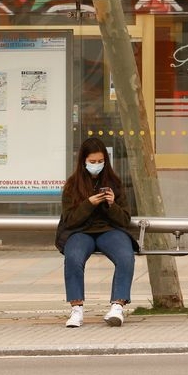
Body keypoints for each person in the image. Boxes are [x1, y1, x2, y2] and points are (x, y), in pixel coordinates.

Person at [55, 137, 139, 328]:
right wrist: (88, 204)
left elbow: (125, 219)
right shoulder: (72, 185)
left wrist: (111, 204)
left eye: (100, 161)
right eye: (92, 162)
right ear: (83, 161)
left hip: (109, 230)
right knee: (73, 257)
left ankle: (118, 306)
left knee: (126, 256)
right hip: (80, 231)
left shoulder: (115, 183)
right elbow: (70, 220)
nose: (96, 165)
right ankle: (76, 309)